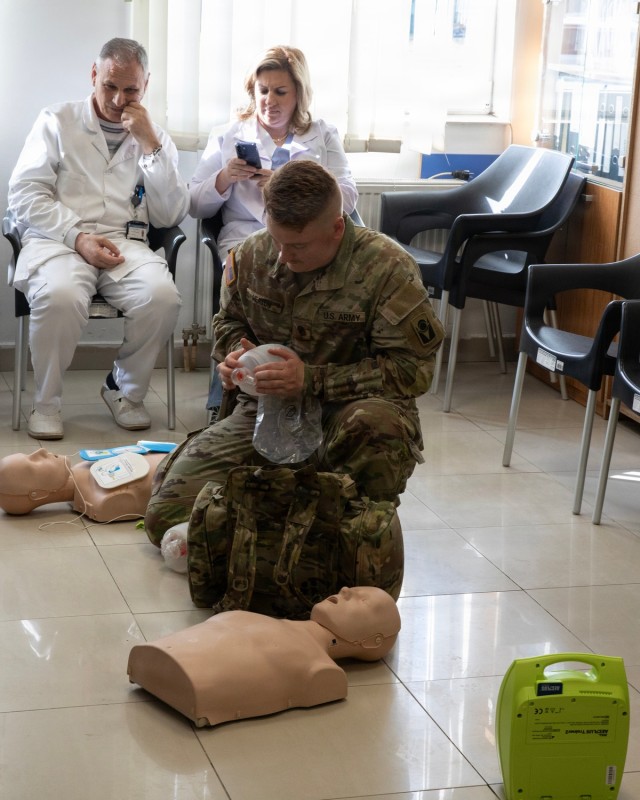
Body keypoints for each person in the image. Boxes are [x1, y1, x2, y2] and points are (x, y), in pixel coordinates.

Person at [145, 160, 445, 547]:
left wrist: (312, 380)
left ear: (337, 228)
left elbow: (414, 370)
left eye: (298, 245)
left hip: (349, 416)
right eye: (277, 240)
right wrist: (236, 358)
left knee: (376, 429)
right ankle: (296, 520)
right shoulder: (251, 256)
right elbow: (229, 323)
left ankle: (331, 525)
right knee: (164, 519)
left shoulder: (387, 268)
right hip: (266, 413)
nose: (283, 257)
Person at [7, 37, 190, 441]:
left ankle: (123, 391)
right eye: (109, 86)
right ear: (94, 75)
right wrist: (77, 237)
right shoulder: (57, 121)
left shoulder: (154, 136)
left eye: (131, 90)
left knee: (162, 297)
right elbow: (23, 195)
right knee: (59, 296)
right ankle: (47, 403)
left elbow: (170, 214)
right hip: (59, 239)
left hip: (124, 243)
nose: (118, 99)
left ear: (146, 87)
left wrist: (152, 147)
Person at [127, 586, 401, 726]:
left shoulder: (321, 672)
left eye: (363, 602)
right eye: (351, 589)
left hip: (190, 685)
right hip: (162, 662)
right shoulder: (272, 624)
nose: (345, 591)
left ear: (372, 641)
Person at [189, 44, 358, 260]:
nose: (269, 101)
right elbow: (194, 205)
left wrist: (290, 187)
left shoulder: (323, 134)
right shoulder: (227, 135)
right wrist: (224, 178)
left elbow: (349, 197)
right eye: (263, 91)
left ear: (299, 93)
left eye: (280, 92)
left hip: (308, 240)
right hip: (246, 239)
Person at [0, 448, 165, 523]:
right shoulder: (104, 502)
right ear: (37, 494)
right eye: (33, 465)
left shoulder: (84, 465)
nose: (41, 451)